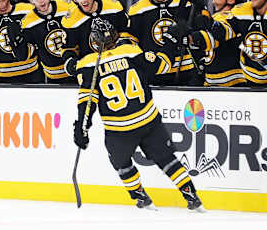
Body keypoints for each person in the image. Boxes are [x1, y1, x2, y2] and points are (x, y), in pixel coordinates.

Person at [73, 18, 205, 211]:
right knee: (166, 158)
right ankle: (190, 194)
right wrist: (171, 39)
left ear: (93, 42)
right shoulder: (132, 51)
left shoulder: (86, 65)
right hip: (148, 121)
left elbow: (87, 101)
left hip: (119, 130)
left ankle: (139, 196)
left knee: (121, 163)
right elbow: (162, 65)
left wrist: (81, 128)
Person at [126, 0, 207, 86]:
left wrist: (201, 8)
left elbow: (203, 27)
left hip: (185, 69)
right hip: (155, 71)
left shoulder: (184, 2)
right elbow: (131, 40)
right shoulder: (137, 9)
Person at [183, 0, 267, 86]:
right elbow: (221, 31)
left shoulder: (229, 14)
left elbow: (211, 39)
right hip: (244, 77)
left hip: (233, 80)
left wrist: (189, 38)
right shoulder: (241, 11)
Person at [178, 0, 246, 87]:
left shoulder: (235, 18)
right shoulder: (215, 17)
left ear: (231, 0)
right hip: (211, 82)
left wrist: (202, 8)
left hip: (233, 84)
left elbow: (217, 33)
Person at [61, 0, 129, 77]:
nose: (83, 0)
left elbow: (127, 31)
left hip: (118, 63)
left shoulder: (113, 7)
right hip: (92, 68)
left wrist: (123, 44)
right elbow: (68, 49)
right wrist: (73, 64)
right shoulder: (70, 20)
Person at [10, 0, 75, 83]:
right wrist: (17, 43)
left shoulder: (68, 7)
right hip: (53, 75)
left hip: (76, 69)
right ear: (31, 1)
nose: (41, 0)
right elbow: (26, 55)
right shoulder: (27, 23)